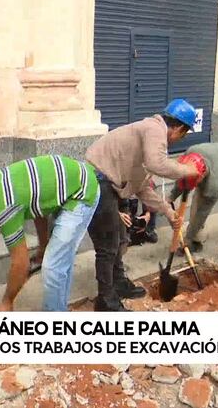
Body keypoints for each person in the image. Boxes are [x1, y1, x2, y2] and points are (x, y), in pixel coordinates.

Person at [0, 155, 99, 312]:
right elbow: (38, 207)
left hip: (81, 192)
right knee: (59, 259)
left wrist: (7, 302)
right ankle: (59, 309)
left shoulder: (3, 208)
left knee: (53, 267)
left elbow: (21, 264)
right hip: (74, 182)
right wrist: (43, 247)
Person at [85, 98, 196, 311]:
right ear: (180, 128)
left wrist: (168, 211)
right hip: (98, 180)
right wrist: (187, 169)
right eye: (183, 134)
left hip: (108, 183)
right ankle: (105, 301)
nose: (178, 140)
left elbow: (143, 189)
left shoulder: (148, 139)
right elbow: (158, 164)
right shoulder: (155, 129)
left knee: (118, 239)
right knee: (108, 245)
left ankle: (118, 282)